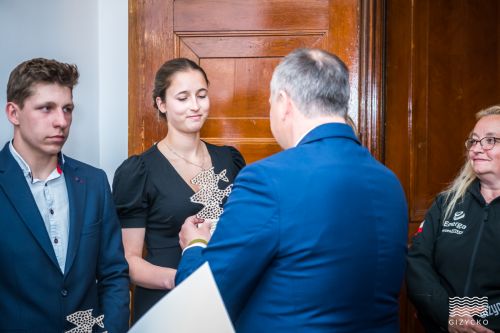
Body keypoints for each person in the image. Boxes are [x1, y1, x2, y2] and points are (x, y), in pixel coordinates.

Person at [175, 48, 409, 332]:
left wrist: (195, 245)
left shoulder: (266, 180)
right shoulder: (389, 182)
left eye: (271, 103)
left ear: (284, 103)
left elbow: (204, 298)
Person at [0, 58, 129, 332]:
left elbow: (114, 273)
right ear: (14, 112)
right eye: (46, 108)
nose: (61, 121)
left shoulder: (94, 182)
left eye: (67, 109)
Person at [112, 58, 245, 322]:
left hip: (225, 296)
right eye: (182, 98)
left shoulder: (230, 159)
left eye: (202, 95)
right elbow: (129, 261)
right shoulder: (139, 171)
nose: (195, 106)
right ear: (161, 104)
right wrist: (184, 279)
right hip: (167, 303)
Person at [407, 105, 500, 333]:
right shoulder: (446, 203)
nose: (477, 149)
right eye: (473, 141)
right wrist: (446, 314)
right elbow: (417, 263)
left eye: (490, 141)